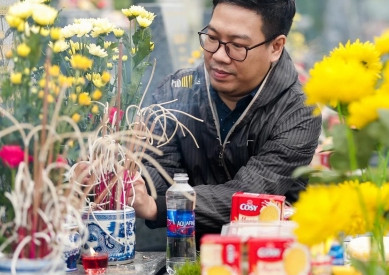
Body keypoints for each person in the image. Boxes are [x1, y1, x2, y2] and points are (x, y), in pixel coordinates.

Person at [126, 0, 322, 245]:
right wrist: (134, 182)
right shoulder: (177, 90)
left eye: (237, 46)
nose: (218, 56)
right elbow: (162, 173)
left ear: (276, 47)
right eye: (212, 38)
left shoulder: (298, 112)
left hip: (271, 256)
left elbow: (251, 195)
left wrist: (160, 207)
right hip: (189, 256)